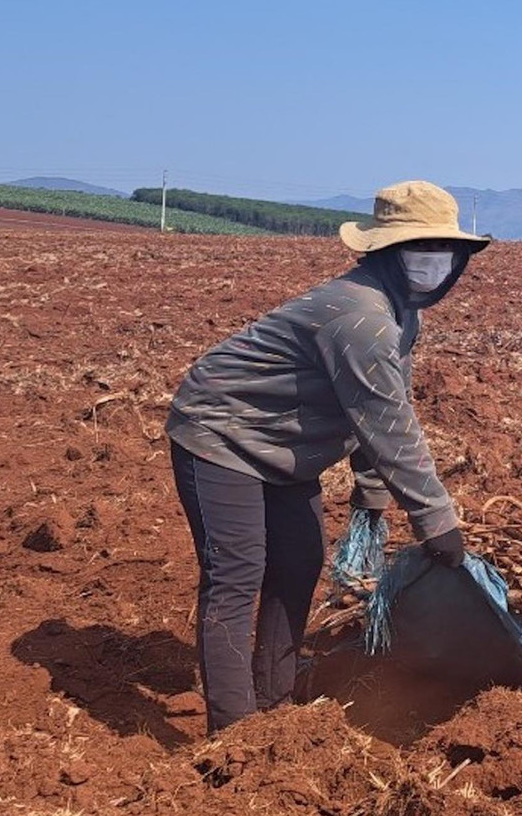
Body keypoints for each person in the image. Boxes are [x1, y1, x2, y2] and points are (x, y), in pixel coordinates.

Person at [165, 180, 488, 733]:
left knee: (298, 563)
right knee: (237, 574)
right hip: (221, 432)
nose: (432, 263)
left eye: (443, 252)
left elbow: (376, 409)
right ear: (381, 250)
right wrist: (436, 520)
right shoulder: (359, 315)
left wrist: (370, 496)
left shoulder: (400, 314)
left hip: (288, 449)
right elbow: (392, 425)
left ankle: (275, 694)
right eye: (418, 249)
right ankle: (234, 731)